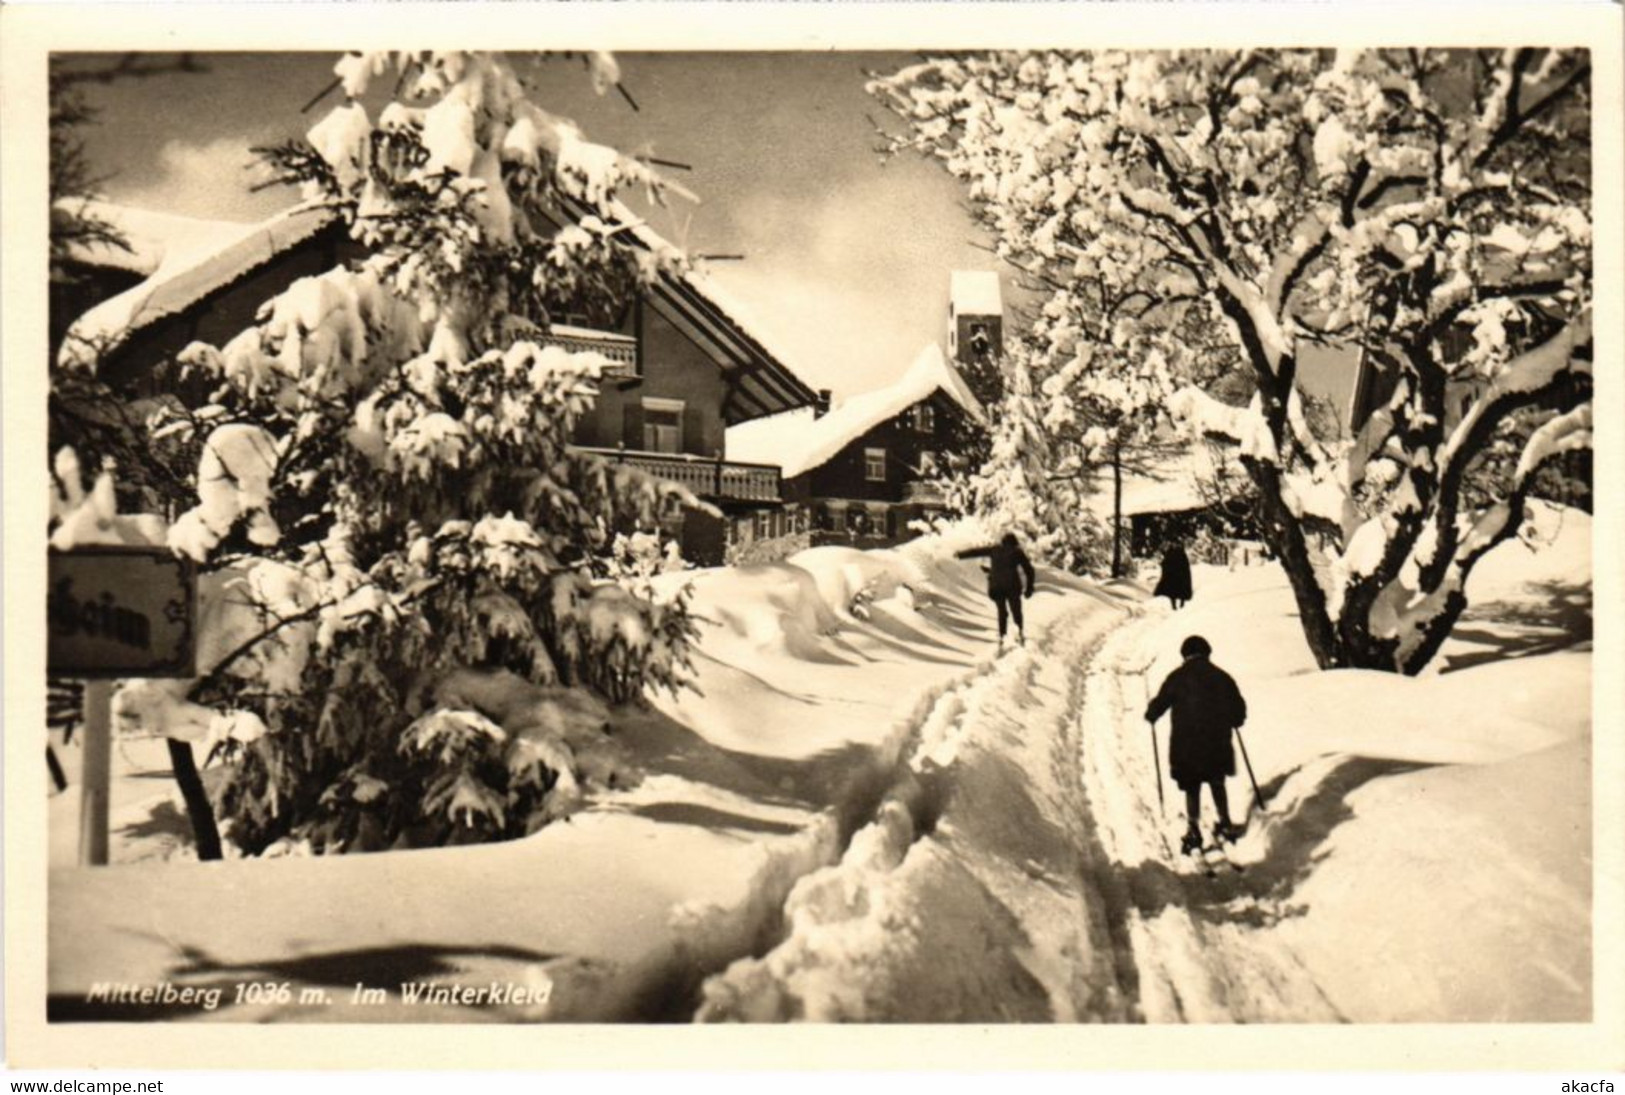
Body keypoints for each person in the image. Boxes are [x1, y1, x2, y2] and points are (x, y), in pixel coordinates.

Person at [1145, 634, 1247, 853]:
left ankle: (1194, 829)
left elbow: (1161, 702)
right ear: (1207, 653)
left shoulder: (1177, 677)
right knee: (1216, 781)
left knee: (1192, 786)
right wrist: (1235, 719)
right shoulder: (1222, 677)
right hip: (1217, 741)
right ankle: (1225, 823)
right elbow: (1238, 710)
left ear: (1185, 655)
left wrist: (1152, 713)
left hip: (1187, 744)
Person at [955, 532, 1036, 649]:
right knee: (1016, 609)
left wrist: (960, 555)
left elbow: (976, 552)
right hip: (1012, 586)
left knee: (1001, 610)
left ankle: (1002, 636)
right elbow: (1029, 570)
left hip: (996, 587)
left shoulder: (995, 549)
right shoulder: (1017, 552)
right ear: (1014, 543)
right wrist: (1029, 588)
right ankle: (1019, 632)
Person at [1153, 540, 1192, 609]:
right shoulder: (1179, 553)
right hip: (1177, 577)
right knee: (1177, 591)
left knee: (1173, 592)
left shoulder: (1174, 553)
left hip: (1175, 577)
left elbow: (1166, 563)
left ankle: (1177, 605)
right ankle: (1178, 605)